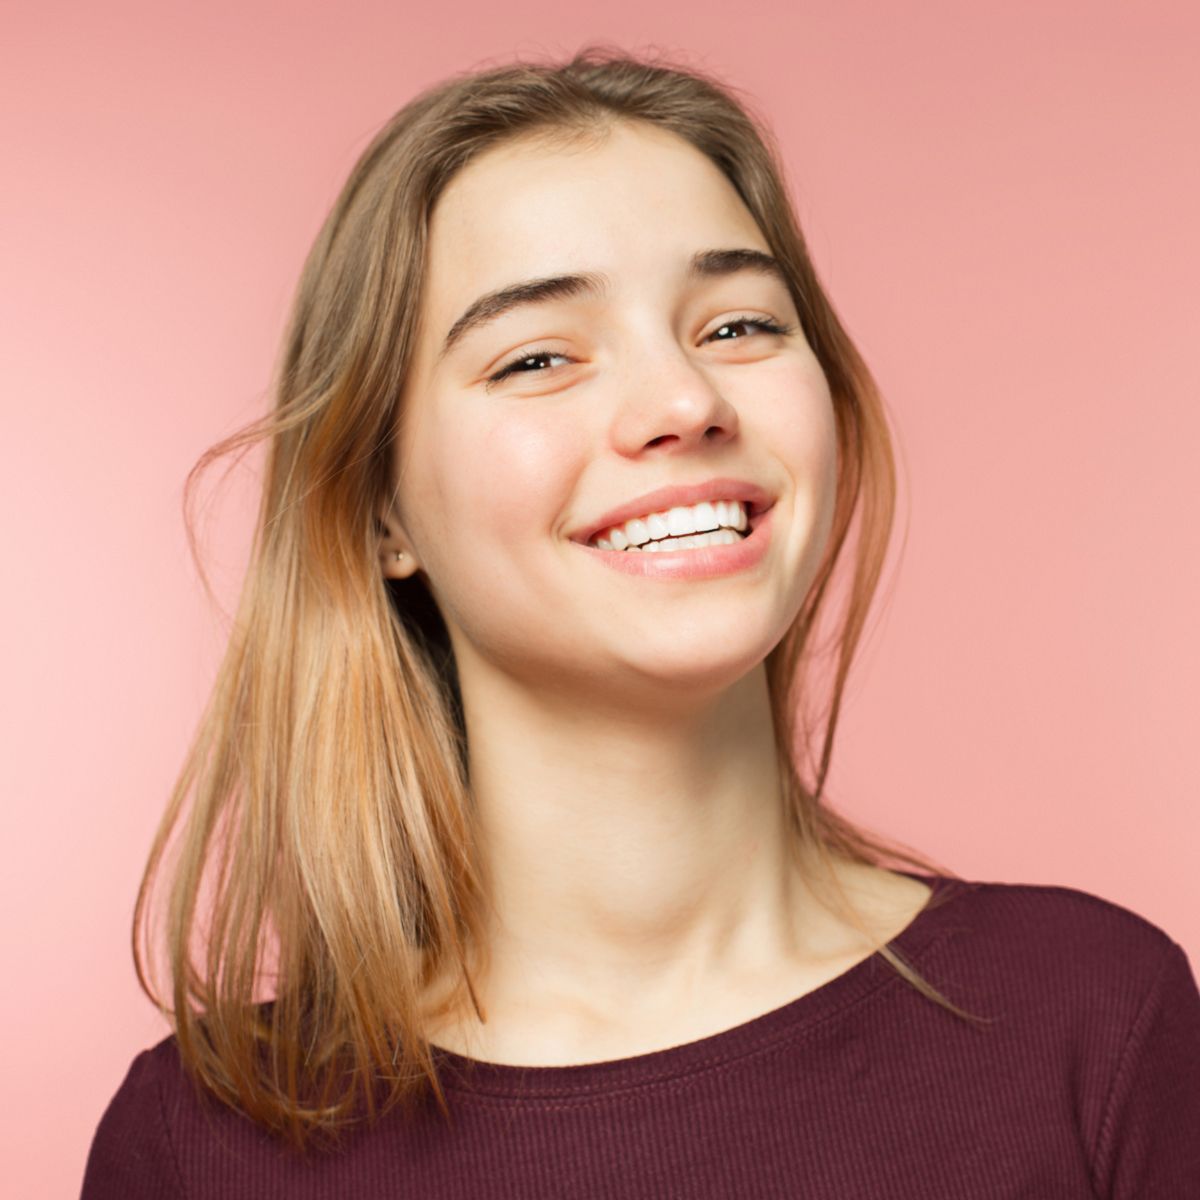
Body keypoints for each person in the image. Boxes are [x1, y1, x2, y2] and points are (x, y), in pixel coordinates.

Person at [81, 44, 1200, 1198]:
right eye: (537, 357)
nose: (685, 402)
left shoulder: (1094, 1019)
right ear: (380, 513)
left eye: (738, 327)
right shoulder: (199, 1147)